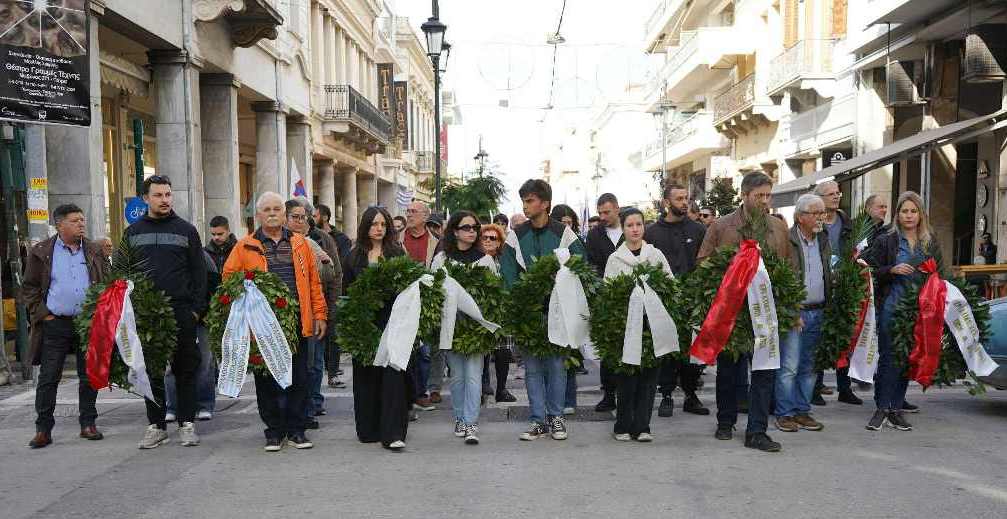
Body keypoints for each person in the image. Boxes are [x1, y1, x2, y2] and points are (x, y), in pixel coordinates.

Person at [223, 192, 326, 451]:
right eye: (266, 209)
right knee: (266, 379)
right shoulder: (244, 246)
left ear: (284, 213)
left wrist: (320, 314)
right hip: (262, 325)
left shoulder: (301, 243)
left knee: (299, 377)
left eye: (276, 208)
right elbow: (228, 278)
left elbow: (314, 282)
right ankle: (274, 431)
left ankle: (296, 430)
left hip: (297, 322)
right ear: (258, 215)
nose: (272, 213)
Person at [698, 171, 793, 452]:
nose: (764, 201)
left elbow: (788, 269)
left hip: (766, 312)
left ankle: (757, 431)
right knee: (729, 370)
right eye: (759, 196)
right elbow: (702, 262)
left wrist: (790, 309)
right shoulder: (722, 226)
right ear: (745, 195)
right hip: (733, 313)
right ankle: (725, 421)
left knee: (764, 372)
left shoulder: (778, 228)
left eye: (768, 195)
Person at [500, 179, 587, 442]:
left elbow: (579, 266)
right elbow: (508, 272)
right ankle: (538, 420)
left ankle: (557, 418)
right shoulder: (516, 234)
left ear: (545, 203)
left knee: (557, 366)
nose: (525, 206)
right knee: (533, 368)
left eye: (530, 201)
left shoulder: (564, 234)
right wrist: (520, 300)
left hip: (558, 309)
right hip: (528, 311)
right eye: (524, 201)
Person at [125, 176, 207, 449]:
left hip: (181, 312)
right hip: (147, 316)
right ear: (145, 198)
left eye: (168, 194)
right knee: (151, 372)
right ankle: (156, 425)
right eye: (158, 195)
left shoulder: (187, 230)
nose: (165, 200)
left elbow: (199, 274)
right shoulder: (132, 233)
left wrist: (196, 310)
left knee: (186, 369)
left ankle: (186, 423)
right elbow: (123, 274)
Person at [23, 204, 108, 448]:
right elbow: (29, 288)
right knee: (49, 377)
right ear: (60, 225)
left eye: (82, 219)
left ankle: (88, 424)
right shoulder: (41, 252)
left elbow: (106, 282)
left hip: (86, 323)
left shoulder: (93, 250)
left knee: (88, 376)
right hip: (55, 323)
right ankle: (43, 429)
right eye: (75, 220)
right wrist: (44, 314)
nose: (81, 224)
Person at [862, 191, 943, 432]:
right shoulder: (886, 239)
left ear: (921, 214)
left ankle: (896, 409)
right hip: (891, 305)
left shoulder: (930, 241)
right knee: (889, 357)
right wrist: (892, 270)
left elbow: (940, 272)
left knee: (908, 358)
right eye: (904, 211)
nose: (909, 216)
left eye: (913, 211)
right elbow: (868, 268)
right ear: (897, 214)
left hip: (920, 309)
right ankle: (881, 408)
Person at [344, 206, 413, 451]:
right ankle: (369, 428)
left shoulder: (396, 253)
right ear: (365, 226)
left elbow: (407, 288)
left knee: (393, 377)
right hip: (363, 324)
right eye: (374, 224)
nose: (379, 229)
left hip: (392, 323)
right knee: (366, 376)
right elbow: (347, 293)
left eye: (383, 225)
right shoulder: (353, 256)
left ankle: (393, 432)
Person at [604, 207, 672, 442]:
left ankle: (643, 426)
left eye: (639, 224)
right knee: (627, 377)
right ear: (622, 229)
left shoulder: (655, 255)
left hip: (652, 326)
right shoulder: (615, 259)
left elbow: (670, 285)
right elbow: (609, 294)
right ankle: (622, 425)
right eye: (630, 225)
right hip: (626, 326)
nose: (635, 229)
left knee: (649, 377)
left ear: (644, 227)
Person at [430, 211, 497, 445]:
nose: (472, 231)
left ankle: (471, 422)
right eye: (466, 227)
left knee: (474, 376)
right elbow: (433, 292)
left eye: (474, 227)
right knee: (457, 376)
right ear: (455, 231)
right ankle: (459, 417)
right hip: (452, 326)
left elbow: (494, 295)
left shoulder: (486, 260)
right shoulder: (442, 259)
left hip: (476, 327)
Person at [644, 183, 709, 418]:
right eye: (679, 198)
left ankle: (691, 395)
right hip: (663, 301)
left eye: (686, 198)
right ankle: (667, 395)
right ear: (666, 202)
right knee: (667, 349)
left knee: (693, 351)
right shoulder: (651, 233)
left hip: (693, 301)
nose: (685, 202)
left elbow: (706, 263)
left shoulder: (699, 230)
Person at [775, 194, 831, 433]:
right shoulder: (786, 240)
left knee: (810, 366)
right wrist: (790, 309)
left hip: (818, 310)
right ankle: (785, 413)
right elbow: (782, 278)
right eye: (815, 213)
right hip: (794, 311)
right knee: (789, 366)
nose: (821, 217)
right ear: (800, 217)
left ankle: (802, 410)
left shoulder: (824, 239)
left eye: (822, 212)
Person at [285, 198, 342, 429]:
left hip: (315, 309)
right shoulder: (278, 243)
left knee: (314, 363)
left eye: (303, 218)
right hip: (287, 313)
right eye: (294, 217)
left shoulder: (319, 241)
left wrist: (330, 309)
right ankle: (294, 409)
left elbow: (333, 274)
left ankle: (311, 405)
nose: (299, 222)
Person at [812, 180, 860, 406]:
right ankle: (815, 386)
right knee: (820, 336)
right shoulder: (815, 222)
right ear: (819, 197)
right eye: (830, 193)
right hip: (821, 285)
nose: (836, 196)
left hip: (844, 284)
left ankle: (845, 387)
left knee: (845, 335)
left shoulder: (847, 222)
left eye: (838, 193)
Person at [164, 249, 220, 423]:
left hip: (201, 318)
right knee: (170, 365)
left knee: (204, 361)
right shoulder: (165, 256)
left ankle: (204, 404)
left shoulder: (202, 256)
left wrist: (201, 312)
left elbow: (213, 283)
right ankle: (173, 406)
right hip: (172, 316)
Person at [585, 193, 624, 413]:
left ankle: (626, 393)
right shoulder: (594, 235)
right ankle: (608, 394)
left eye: (607, 212)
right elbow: (591, 265)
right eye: (600, 212)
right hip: (605, 298)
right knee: (607, 348)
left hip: (630, 296)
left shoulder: (630, 228)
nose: (602, 216)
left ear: (617, 209)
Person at [552, 203, 585, 413]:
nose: (566, 227)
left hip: (571, 302)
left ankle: (569, 400)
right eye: (562, 223)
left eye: (570, 223)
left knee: (570, 353)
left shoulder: (577, 245)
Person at [478, 223, 516, 403]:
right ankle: (483, 386)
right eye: (484, 238)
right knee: (482, 352)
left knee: (503, 353)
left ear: (500, 242)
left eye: (492, 238)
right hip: (482, 312)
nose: (488, 241)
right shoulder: (477, 259)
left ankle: (502, 389)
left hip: (503, 312)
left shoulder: (505, 261)